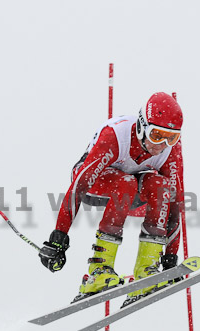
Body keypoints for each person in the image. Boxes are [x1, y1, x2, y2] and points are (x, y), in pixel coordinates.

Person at [38, 92, 185, 306]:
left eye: (171, 138)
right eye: (156, 135)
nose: (161, 144)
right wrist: (58, 237)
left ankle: (147, 270)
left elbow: (175, 204)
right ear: (143, 125)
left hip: (132, 194)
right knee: (125, 182)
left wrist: (170, 260)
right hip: (95, 186)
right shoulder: (116, 135)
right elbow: (79, 185)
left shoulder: (169, 151)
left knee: (161, 186)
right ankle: (99, 270)